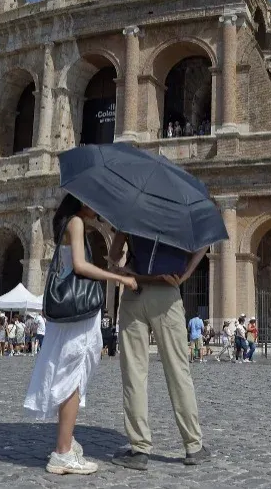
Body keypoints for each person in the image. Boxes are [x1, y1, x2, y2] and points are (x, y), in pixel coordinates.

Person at [23, 194, 138, 475]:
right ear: (84, 201)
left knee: (68, 374)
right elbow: (79, 265)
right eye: (94, 202)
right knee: (73, 377)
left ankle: (66, 441)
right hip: (78, 312)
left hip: (67, 310)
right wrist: (120, 278)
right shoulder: (75, 222)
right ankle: (62, 453)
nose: (98, 207)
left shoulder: (66, 222)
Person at [107, 229, 211, 471]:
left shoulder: (134, 208)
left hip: (135, 290)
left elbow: (114, 253)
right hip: (167, 292)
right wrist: (185, 275)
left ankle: (139, 448)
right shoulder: (180, 213)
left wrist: (121, 267)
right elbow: (205, 242)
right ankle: (193, 445)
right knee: (178, 372)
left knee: (134, 374)